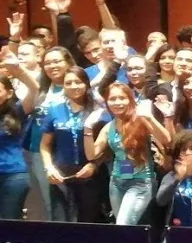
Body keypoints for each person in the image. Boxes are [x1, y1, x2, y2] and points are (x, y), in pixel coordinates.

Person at [85, 82, 169, 226]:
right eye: (112, 99)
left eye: (122, 98)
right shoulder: (109, 127)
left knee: (123, 225)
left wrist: (149, 117)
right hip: (116, 183)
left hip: (141, 182)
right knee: (125, 229)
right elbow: (92, 155)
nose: (117, 102)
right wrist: (87, 128)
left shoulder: (141, 120)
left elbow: (166, 139)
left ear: (130, 100)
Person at [39, 66, 102, 223]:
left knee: (88, 222)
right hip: (61, 175)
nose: (74, 86)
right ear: (64, 86)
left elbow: (106, 146)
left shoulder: (98, 110)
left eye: (78, 82)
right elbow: (45, 145)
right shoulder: (55, 110)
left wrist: (94, 165)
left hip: (89, 174)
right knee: (60, 221)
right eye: (69, 83)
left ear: (86, 84)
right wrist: (49, 167)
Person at [0, 53, 40, 219]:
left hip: (13, 176)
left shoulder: (16, 111)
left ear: (9, 93)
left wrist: (18, 71)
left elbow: (34, 88)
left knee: (9, 224)